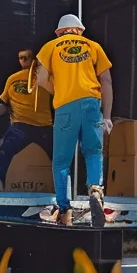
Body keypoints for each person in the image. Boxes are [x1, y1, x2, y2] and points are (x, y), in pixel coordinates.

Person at [33, 14, 114, 227]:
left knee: (61, 161)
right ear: (80, 30)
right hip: (91, 106)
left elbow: (40, 79)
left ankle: (64, 209)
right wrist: (106, 116)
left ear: (59, 32)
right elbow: (106, 80)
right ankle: (96, 190)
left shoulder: (50, 47)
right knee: (93, 152)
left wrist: (58, 89)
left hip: (65, 107)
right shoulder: (94, 46)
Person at [0, 48, 54, 192]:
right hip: (26, 126)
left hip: (41, 126)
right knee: (58, 156)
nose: (24, 60)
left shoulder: (44, 79)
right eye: (21, 57)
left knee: (6, 150)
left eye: (26, 57)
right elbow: (3, 103)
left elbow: (3, 104)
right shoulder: (41, 79)